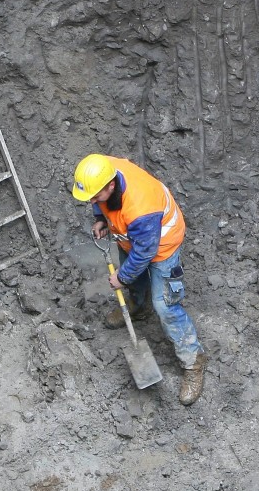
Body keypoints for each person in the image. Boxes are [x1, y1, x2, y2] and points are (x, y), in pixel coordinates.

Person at [71, 153, 206, 405]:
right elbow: (96, 197)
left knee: (165, 305)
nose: (92, 201)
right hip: (131, 236)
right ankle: (138, 307)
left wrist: (121, 277)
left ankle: (193, 361)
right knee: (135, 280)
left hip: (161, 244)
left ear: (111, 186)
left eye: (96, 197)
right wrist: (101, 217)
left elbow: (145, 252)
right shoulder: (103, 170)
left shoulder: (140, 207)